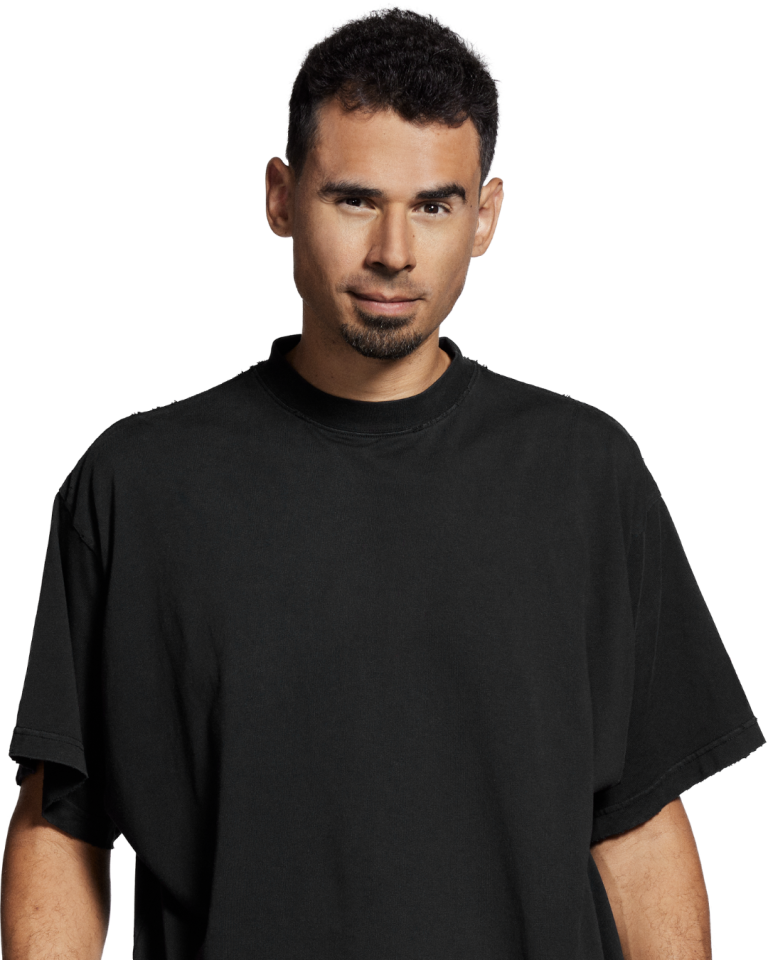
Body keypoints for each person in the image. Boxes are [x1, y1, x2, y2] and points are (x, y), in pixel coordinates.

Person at [2, 7, 763, 959]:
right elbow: (65, 822)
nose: (394, 251)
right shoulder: (138, 487)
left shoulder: (584, 475)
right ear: (282, 197)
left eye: (435, 206)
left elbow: (639, 828)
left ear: (485, 216)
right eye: (356, 200)